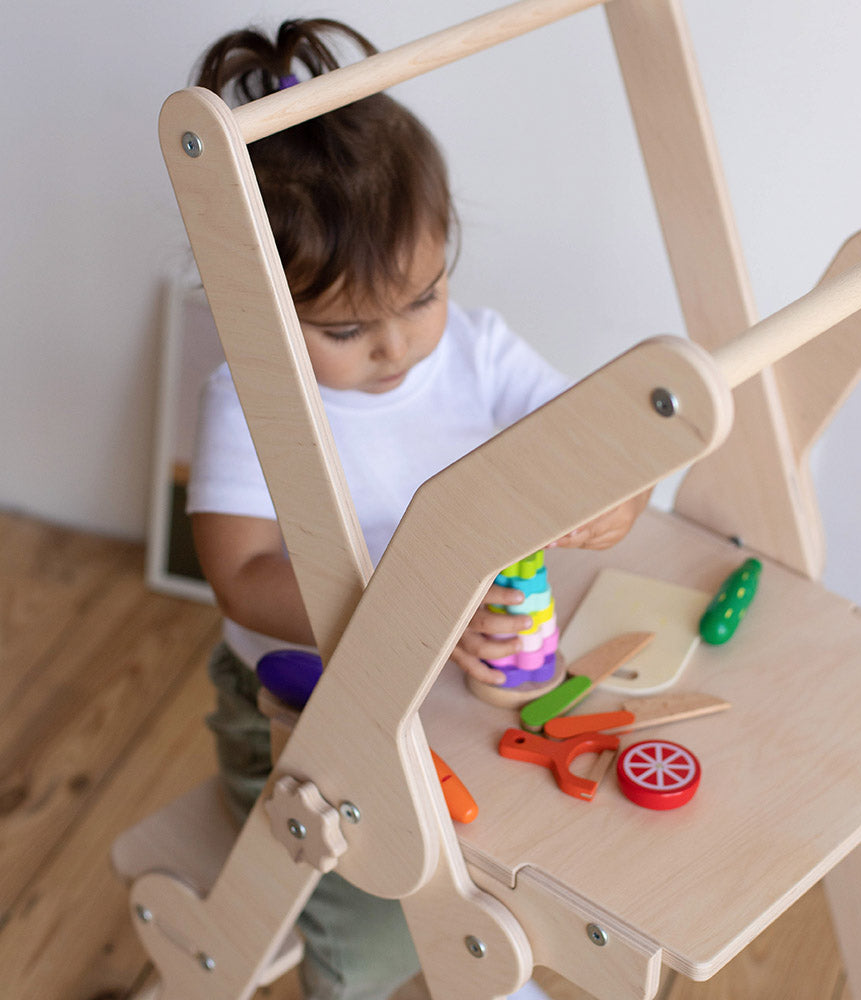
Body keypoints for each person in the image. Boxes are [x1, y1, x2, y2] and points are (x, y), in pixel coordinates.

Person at [184, 18, 650, 1000]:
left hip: (454, 679)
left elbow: (595, 437)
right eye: (346, 327)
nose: (396, 346)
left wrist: (620, 495)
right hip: (305, 711)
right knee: (369, 921)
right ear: (254, 305)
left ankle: (483, 964)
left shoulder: (476, 349)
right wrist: (413, 607)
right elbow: (241, 577)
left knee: (514, 854)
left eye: (422, 297)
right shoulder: (250, 399)